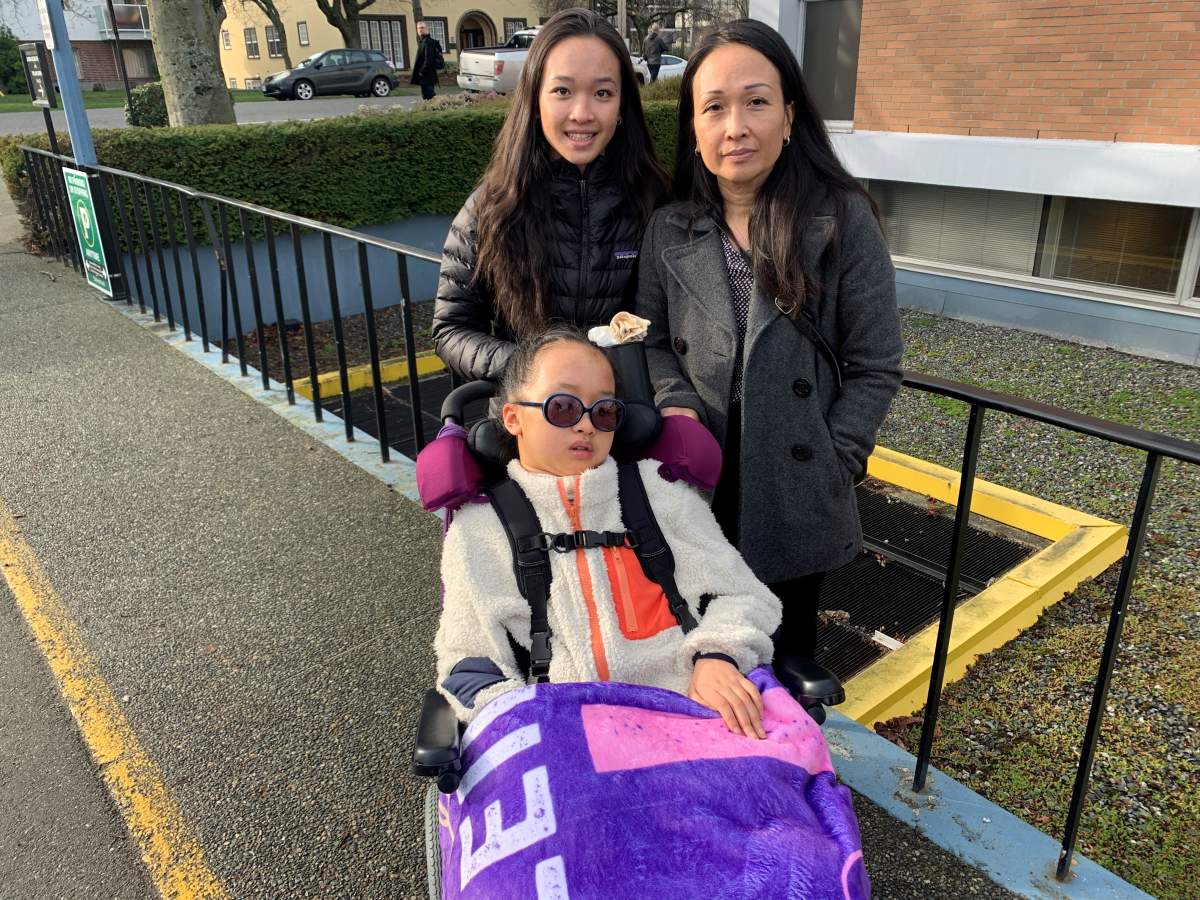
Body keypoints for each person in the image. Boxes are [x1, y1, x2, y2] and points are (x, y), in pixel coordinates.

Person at [634, 20, 903, 680]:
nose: (736, 128)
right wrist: (676, 406)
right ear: (694, 128)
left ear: (789, 115)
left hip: (794, 477)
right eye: (714, 107)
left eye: (756, 102)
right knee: (699, 647)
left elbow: (876, 363)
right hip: (699, 468)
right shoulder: (670, 227)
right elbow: (650, 340)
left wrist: (836, 457)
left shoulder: (840, 219)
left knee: (784, 657)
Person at [434, 328, 781, 737]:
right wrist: (522, 720)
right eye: (563, 407)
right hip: (561, 726)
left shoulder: (660, 493)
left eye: (604, 412)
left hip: (690, 706)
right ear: (513, 418)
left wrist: (717, 656)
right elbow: (467, 658)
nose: (586, 425)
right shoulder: (481, 526)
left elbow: (745, 595)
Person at [432, 9, 669, 382]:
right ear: (535, 99)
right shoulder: (492, 205)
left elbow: (675, 331)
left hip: (626, 409)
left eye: (603, 93)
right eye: (562, 91)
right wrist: (536, 369)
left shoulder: (656, 199)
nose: (582, 113)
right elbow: (451, 330)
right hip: (529, 411)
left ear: (622, 104)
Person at [411, 21, 444, 101]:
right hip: (425, 74)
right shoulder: (422, 41)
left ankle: (436, 107)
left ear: (426, 29)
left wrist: (421, 70)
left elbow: (428, 59)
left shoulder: (428, 42)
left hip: (428, 74)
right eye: (418, 28)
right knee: (426, 96)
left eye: (422, 28)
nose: (420, 30)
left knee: (429, 96)